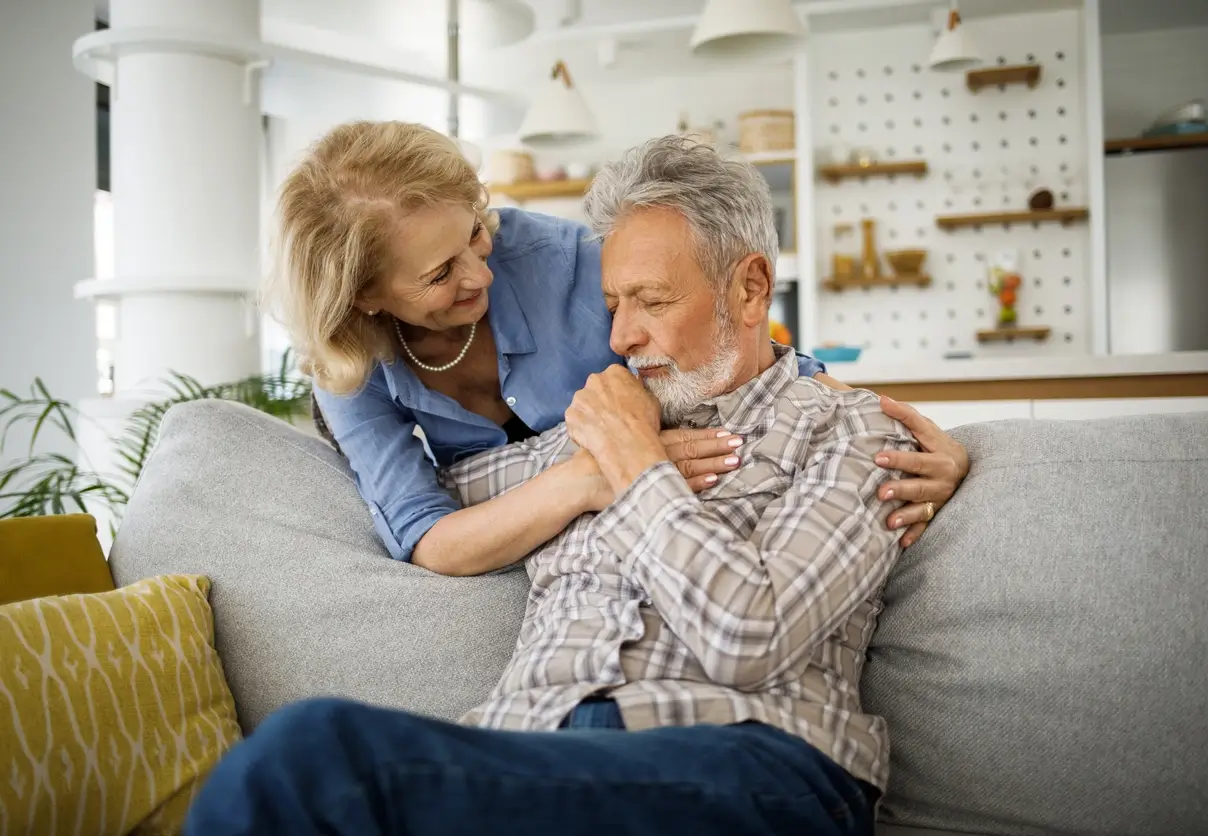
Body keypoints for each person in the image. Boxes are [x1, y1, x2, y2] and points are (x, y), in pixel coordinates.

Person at [186, 137, 929, 836]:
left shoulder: (849, 433)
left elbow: (752, 641)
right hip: (533, 748)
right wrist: (593, 464)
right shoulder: (585, 433)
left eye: (652, 301)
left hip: (751, 757)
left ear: (750, 287)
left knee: (308, 758)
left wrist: (636, 467)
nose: (619, 339)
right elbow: (433, 519)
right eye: (613, 307)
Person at [268, 121, 969, 576]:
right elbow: (430, 541)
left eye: (475, 235)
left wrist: (901, 433)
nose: (479, 273)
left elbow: (737, 350)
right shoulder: (349, 363)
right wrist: (592, 477)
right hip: (542, 569)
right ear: (364, 297)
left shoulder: (565, 258)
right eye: (438, 273)